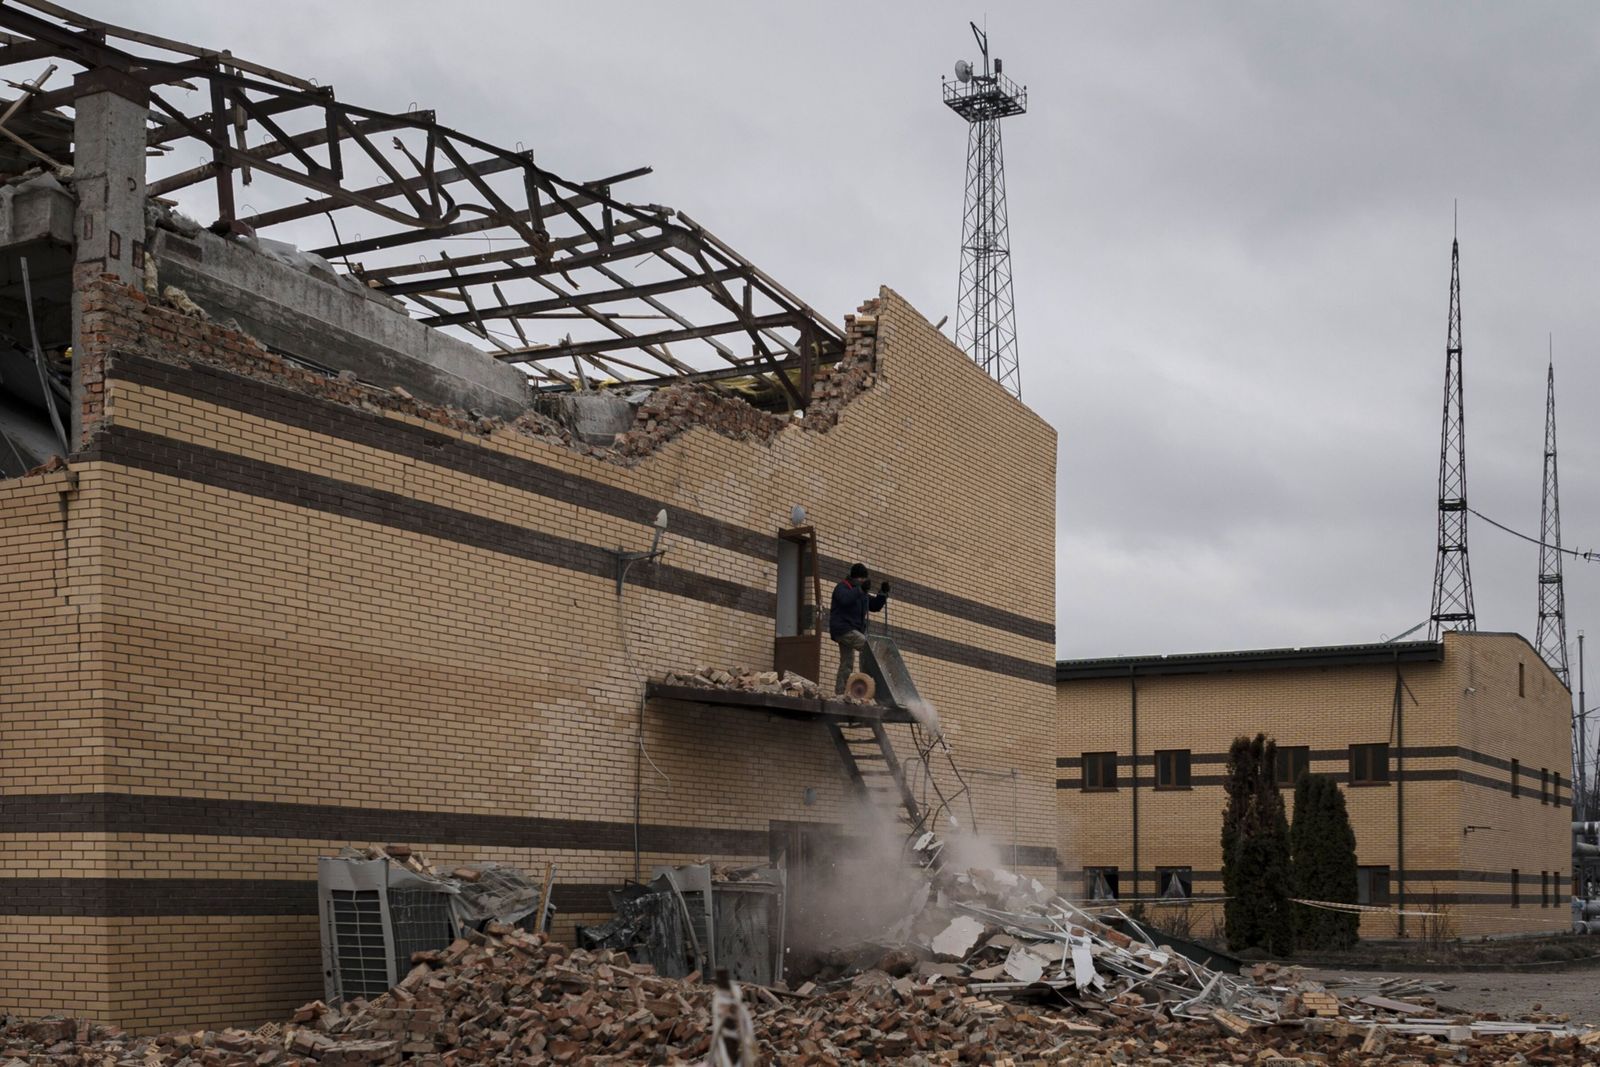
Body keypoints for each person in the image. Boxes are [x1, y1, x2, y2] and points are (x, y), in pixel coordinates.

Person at [830, 563, 889, 693]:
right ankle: (871, 683)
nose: (864, 581)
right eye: (862, 579)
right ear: (856, 578)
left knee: (847, 662)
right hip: (843, 629)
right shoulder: (842, 587)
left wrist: (882, 594)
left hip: (851, 631)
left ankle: (840, 693)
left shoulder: (859, 592)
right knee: (868, 647)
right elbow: (845, 600)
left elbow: (874, 606)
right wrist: (860, 590)